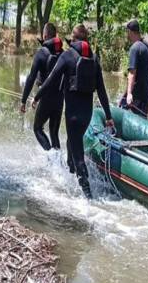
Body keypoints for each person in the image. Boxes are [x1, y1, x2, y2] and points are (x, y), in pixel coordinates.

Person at [33, 24, 114, 198]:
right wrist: (108, 116)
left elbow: (50, 79)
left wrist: (37, 97)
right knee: (72, 144)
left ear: (73, 39)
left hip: (73, 116)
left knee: (78, 157)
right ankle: (69, 179)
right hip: (87, 115)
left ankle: (88, 200)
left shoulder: (67, 55)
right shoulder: (94, 58)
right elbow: (102, 91)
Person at [20, 23, 64, 150]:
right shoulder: (63, 53)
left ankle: (51, 157)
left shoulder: (41, 53)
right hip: (60, 99)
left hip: (45, 97)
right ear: (55, 36)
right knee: (54, 133)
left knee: (37, 129)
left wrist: (23, 101)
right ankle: (59, 164)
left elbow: (31, 78)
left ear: (44, 36)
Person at [120, 19, 148, 118]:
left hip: (136, 93)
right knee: (142, 119)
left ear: (130, 31)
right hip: (146, 92)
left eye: (127, 31)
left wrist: (129, 94)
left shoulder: (135, 48)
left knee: (121, 111)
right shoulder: (146, 46)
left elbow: (132, 73)